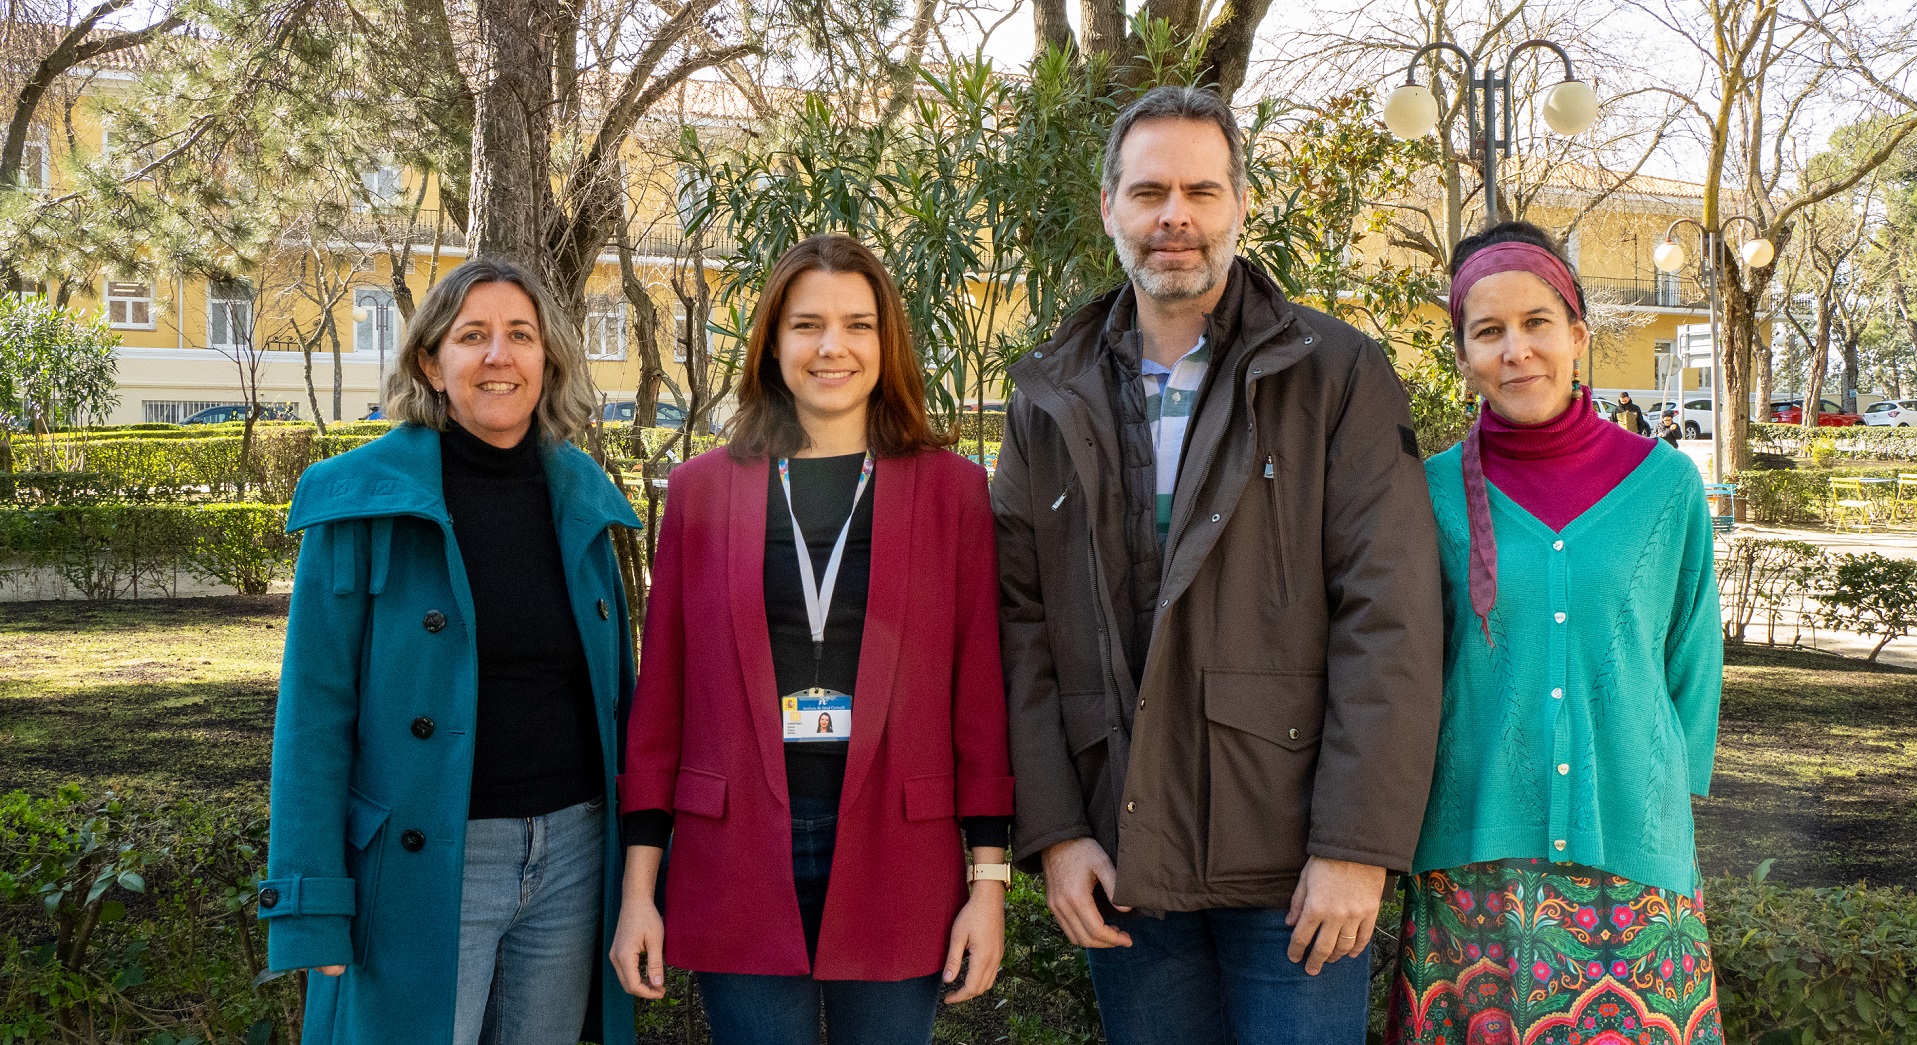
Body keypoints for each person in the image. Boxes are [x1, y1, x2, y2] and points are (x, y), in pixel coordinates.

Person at [992, 85, 1444, 1045]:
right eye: (1149, 190)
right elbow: (1021, 625)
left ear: (1240, 204)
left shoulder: (1336, 373)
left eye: (1202, 190)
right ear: (1108, 205)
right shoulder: (1048, 393)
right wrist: (1057, 834)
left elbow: (1390, 615)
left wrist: (1356, 848)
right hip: (1124, 856)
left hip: (1293, 871)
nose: (1175, 217)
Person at [611, 234, 1014, 1045]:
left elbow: (980, 704)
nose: (832, 346)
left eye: (857, 324)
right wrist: (638, 893)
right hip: (737, 851)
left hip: (903, 853)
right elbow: (662, 706)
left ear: (886, 342)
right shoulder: (699, 491)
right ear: (772, 342)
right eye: (807, 324)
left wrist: (989, 887)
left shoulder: (954, 492)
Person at [259, 257, 641, 1045]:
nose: (499, 356)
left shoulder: (587, 501)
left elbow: (619, 705)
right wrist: (312, 903)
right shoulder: (360, 502)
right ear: (432, 363)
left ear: (548, 360)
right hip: (427, 860)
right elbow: (313, 716)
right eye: (473, 336)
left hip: (573, 857)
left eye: (520, 336)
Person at [1388, 221, 1725, 1045]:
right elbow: (1402, 672)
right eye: (1488, 331)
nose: (1517, 350)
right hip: (1471, 856)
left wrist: (1657, 802)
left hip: (1633, 857)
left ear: (1578, 334)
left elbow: (1692, 660)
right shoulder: (1425, 496)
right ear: (1463, 354)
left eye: (1537, 322)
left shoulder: (1667, 487)